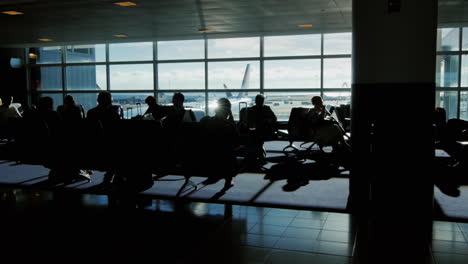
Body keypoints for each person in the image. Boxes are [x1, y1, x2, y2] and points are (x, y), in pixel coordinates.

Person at [199, 98, 238, 190]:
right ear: (228, 111)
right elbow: (236, 138)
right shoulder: (228, 125)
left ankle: (216, 173)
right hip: (223, 157)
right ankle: (229, 178)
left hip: (205, 157)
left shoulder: (206, 120)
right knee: (229, 150)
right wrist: (231, 118)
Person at [86, 91, 121, 185]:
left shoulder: (90, 112)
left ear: (98, 100)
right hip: (109, 147)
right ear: (110, 101)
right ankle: (113, 177)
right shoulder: (113, 114)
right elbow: (118, 131)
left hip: (94, 146)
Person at [243, 94, 278, 166]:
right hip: (262, 130)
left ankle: (256, 155)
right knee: (257, 136)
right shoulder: (266, 109)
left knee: (254, 136)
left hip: (257, 130)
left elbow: (247, 121)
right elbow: (274, 119)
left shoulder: (251, 109)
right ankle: (260, 155)